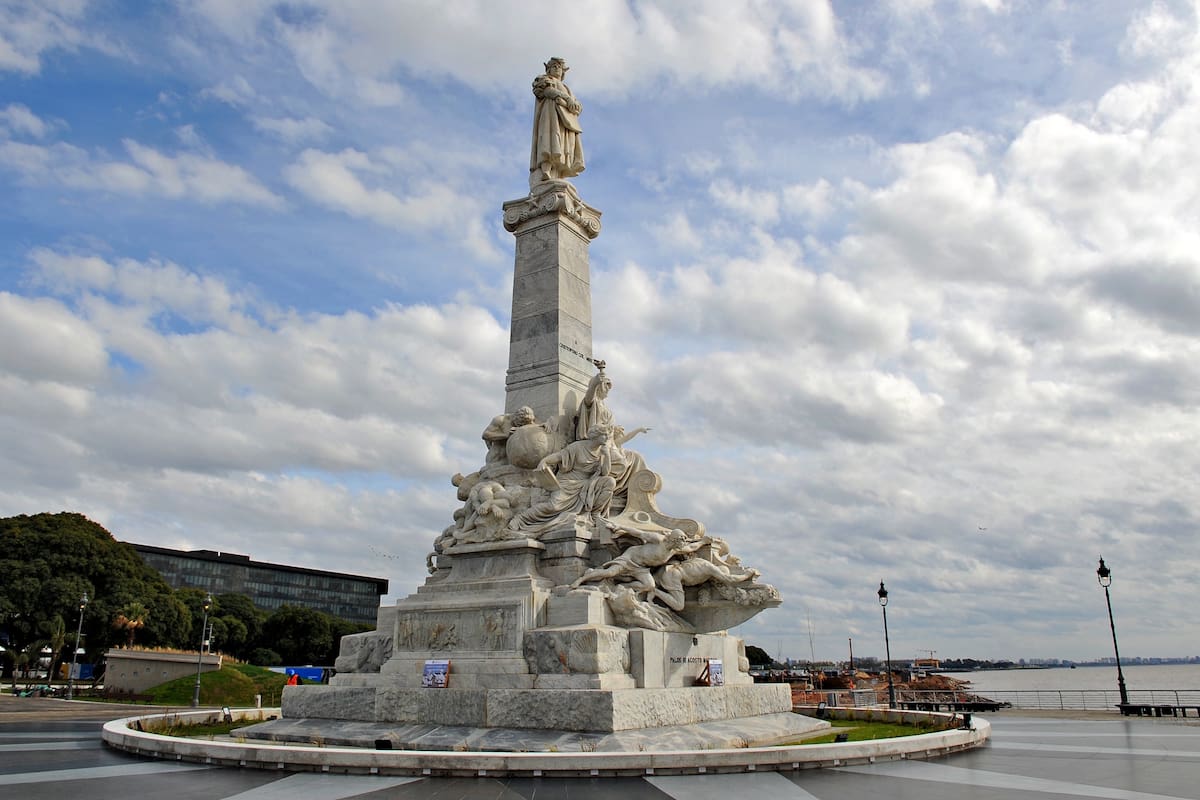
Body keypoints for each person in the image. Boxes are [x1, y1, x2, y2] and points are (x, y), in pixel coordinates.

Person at [507, 424, 616, 532]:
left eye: (608, 435)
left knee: (610, 482)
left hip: (588, 484)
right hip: (569, 482)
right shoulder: (578, 446)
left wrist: (607, 456)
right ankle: (520, 518)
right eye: (604, 435)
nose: (607, 438)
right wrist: (545, 461)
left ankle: (595, 514)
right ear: (596, 435)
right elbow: (559, 456)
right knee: (553, 507)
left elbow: (605, 473)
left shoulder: (603, 451)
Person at [571, 527, 706, 599]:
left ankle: (621, 587)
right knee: (609, 572)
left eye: (682, 542)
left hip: (641, 568)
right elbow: (639, 533)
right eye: (680, 541)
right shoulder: (659, 540)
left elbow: (692, 547)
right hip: (631, 558)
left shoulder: (674, 550)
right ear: (673, 539)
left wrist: (704, 542)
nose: (681, 545)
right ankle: (582, 579)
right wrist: (620, 527)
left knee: (649, 585)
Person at [530, 57, 585, 187]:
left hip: (566, 122)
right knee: (550, 142)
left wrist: (574, 105)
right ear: (548, 68)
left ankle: (559, 172)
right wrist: (566, 99)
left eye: (559, 67)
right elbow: (547, 91)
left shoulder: (567, 88)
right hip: (551, 117)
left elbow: (577, 106)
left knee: (564, 146)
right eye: (554, 66)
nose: (557, 69)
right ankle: (546, 170)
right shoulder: (545, 79)